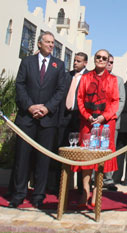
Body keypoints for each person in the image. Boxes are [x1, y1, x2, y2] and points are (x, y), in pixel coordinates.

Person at [9, 31, 66, 208]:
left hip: (48, 121)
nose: (51, 45)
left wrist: (46, 108)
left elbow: (60, 90)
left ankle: (38, 196)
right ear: (39, 44)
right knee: (22, 159)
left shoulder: (59, 65)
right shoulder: (27, 62)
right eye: (47, 42)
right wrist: (30, 107)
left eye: (53, 43)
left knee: (43, 160)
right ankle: (18, 194)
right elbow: (20, 85)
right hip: (27, 119)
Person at [72, 49, 119, 207]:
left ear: (107, 62)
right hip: (88, 123)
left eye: (104, 58)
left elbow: (114, 102)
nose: (101, 59)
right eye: (98, 57)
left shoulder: (112, 80)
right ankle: (85, 190)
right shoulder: (85, 78)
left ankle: (97, 193)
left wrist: (103, 117)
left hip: (106, 124)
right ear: (94, 59)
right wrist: (87, 116)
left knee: (101, 160)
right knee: (86, 158)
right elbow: (79, 98)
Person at [55, 52, 89, 194]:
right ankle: (59, 186)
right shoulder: (67, 76)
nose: (75, 63)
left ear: (85, 63)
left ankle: (82, 189)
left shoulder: (89, 77)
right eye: (74, 60)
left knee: (80, 154)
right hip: (65, 117)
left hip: (80, 118)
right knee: (62, 150)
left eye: (78, 61)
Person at [102, 54, 125, 191]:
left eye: (112, 62)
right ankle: (93, 177)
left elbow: (121, 100)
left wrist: (112, 116)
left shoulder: (119, 80)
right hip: (95, 122)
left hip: (112, 122)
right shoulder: (93, 78)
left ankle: (108, 179)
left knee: (110, 150)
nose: (109, 64)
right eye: (107, 61)